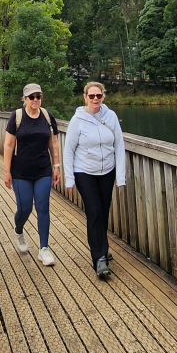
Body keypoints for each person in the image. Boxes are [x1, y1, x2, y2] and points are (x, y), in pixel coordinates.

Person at [62, 81, 125, 279]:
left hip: (107, 171)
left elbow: (119, 147)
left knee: (103, 212)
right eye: (92, 96)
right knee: (94, 211)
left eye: (98, 96)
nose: (95, 99)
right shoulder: (78, 120)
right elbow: (69, 150)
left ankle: (103, 250)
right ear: (85, 97)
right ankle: (98, 258)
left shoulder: (111, 116)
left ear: (103, 97)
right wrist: (69, 179)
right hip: (84, 171)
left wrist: (120, 176)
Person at [2, 82, 60, 266]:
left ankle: (44, 249)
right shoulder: (17, 117)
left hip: (43, 169)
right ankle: (19, 231)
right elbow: (9, 145)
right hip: (21, 172)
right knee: (25, 208)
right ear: (25, 99)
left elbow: (54, 143)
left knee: (43, 207)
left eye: (38, 96)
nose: (36, 100)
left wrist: (56, 165)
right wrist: (7, 171)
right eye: (32, 97)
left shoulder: (47, 116)